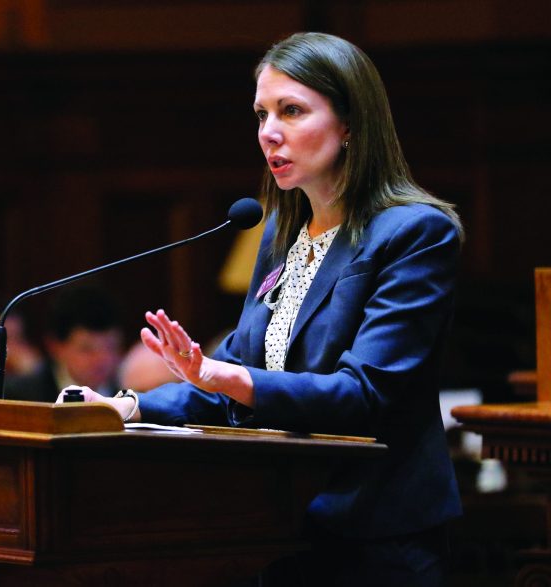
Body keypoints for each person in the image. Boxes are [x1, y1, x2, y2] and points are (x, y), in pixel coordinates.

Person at [60, 32, 464, 586]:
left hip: (377, 538)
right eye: (262, 113)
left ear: (350, 123)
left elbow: (366, 394)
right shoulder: (278, 231)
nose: (269, 133)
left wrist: (231, 378)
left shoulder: (415, 233)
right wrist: (123, 408)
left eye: (292, 111)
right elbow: (230, 375)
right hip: (278, 528)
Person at [7, 285, 123, 402]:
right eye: (87, 349)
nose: (102, 359)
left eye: (110, 347)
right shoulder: (20, 396)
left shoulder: (128, 396)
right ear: (55, 346)